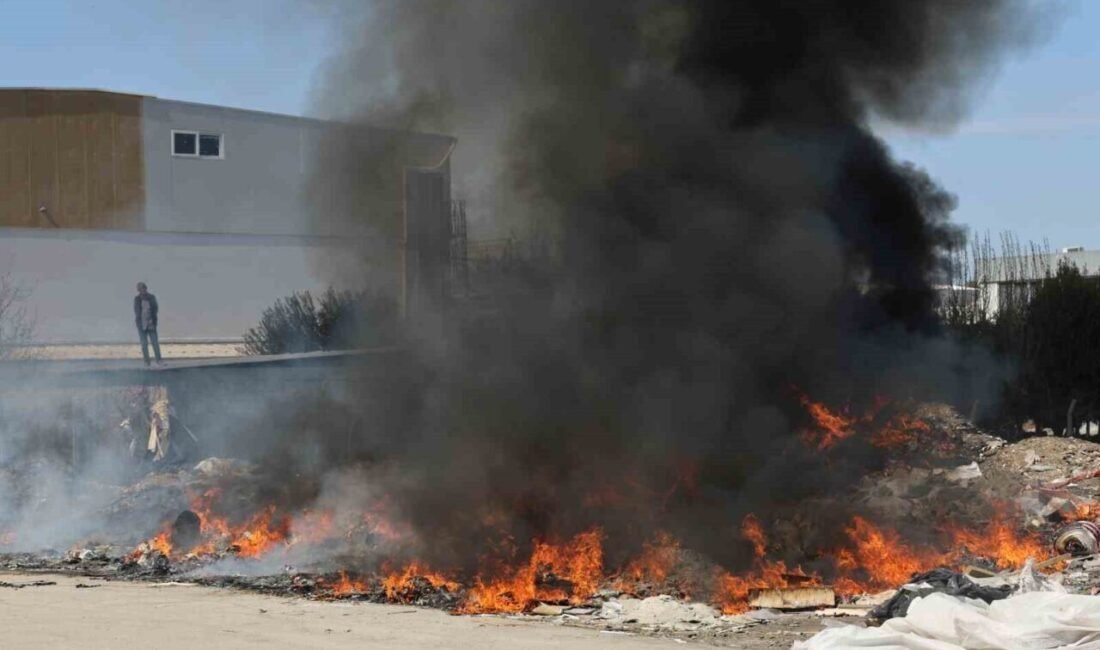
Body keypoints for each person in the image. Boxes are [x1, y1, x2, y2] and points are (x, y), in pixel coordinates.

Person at [134, 282, 163, 367]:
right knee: (144, 344)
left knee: (155, 343)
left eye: (142, 289)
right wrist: (139, 322)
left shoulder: (151, 297)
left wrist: (152, 320)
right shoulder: (137, 299)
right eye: (139, 289)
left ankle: (159, 360)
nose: (141, 291)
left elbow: (155, 309)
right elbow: (136, 311)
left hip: (151, 324)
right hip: (141, 325)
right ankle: (147, 362)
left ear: (145, 288)